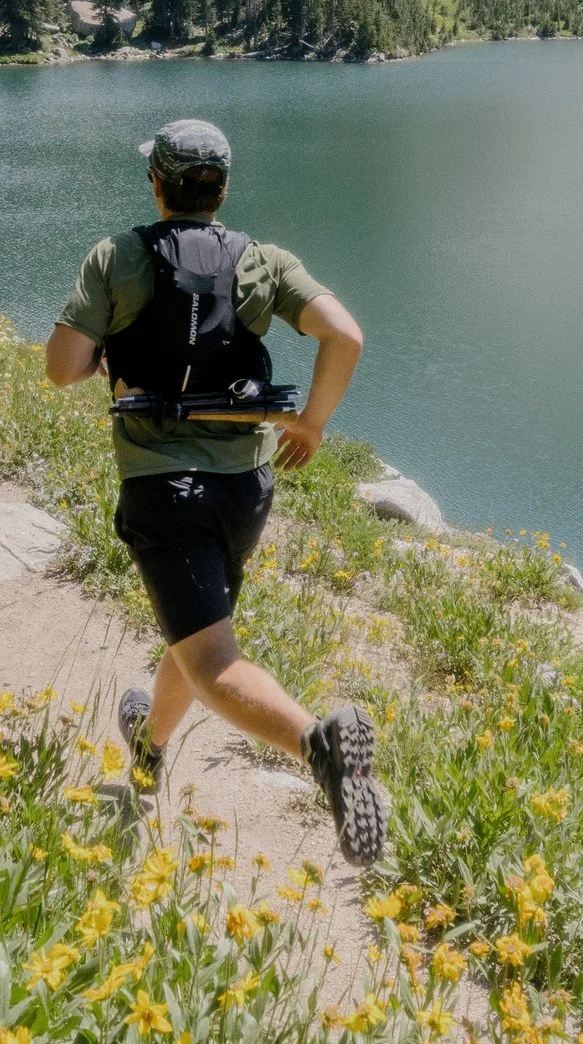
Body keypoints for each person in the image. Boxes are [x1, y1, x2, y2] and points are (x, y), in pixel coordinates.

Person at [44, 117, 388, 865]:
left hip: (162, 487)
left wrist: (109, 349)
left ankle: (320, 747)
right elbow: (346, 335)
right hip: (245, 488)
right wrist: (313, 425)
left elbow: (62, 369)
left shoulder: (117, 257)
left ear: (156, 185)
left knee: (212, 659)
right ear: (222, 189)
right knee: (197, 626)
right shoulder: (262, 262)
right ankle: (150, 742)